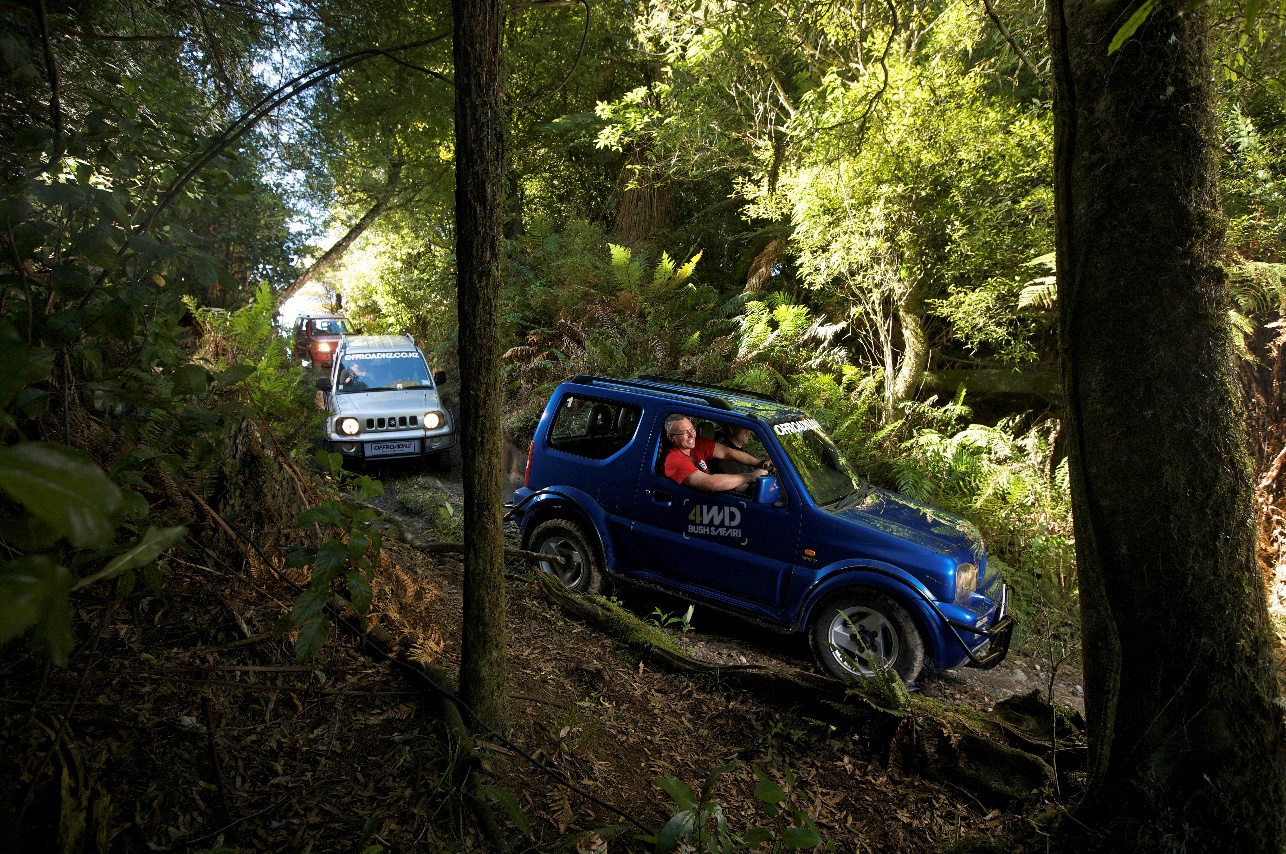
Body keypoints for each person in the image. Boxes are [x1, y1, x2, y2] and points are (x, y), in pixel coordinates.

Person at [662, 414, 770, 492]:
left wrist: (760, 464)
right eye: (684, 432)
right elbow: (710, 483)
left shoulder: (697, 443)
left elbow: (727, 452)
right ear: (672, 438)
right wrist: (750, 476)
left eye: (692, 429)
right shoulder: (674, 460)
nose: (692, 435)